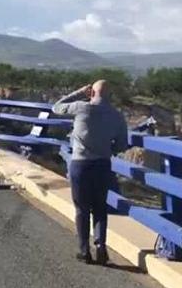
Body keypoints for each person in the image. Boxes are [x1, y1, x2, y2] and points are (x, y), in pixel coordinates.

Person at [53, 80, 128, 265]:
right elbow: (121, 145)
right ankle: (101, 246)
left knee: (82, 209)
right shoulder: (117, 116)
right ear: (110, 95)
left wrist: (79, 92)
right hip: (102, 165)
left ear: (92, 93)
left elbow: (56, 107)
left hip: (80, 165)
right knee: (100, 208)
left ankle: (84, 250)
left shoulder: (81, 107)